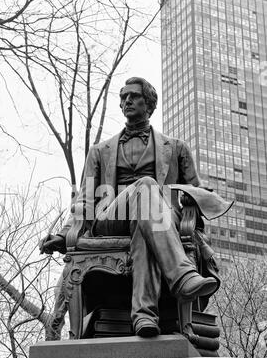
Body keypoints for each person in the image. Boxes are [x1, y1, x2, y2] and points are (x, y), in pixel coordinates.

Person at [40, 77, 219, 338]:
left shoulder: (177, 148)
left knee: (145, 221)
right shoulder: (100, 151)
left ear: (149, 103)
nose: (126, 101)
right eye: (123, 97)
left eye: (133, 96)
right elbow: (86, 199)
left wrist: (197, 199)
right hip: (111, 217)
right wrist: (65, 231)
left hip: (156, 220)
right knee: (146, 186)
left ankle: (144, 317)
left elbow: (195, 190)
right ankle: (181, 276)